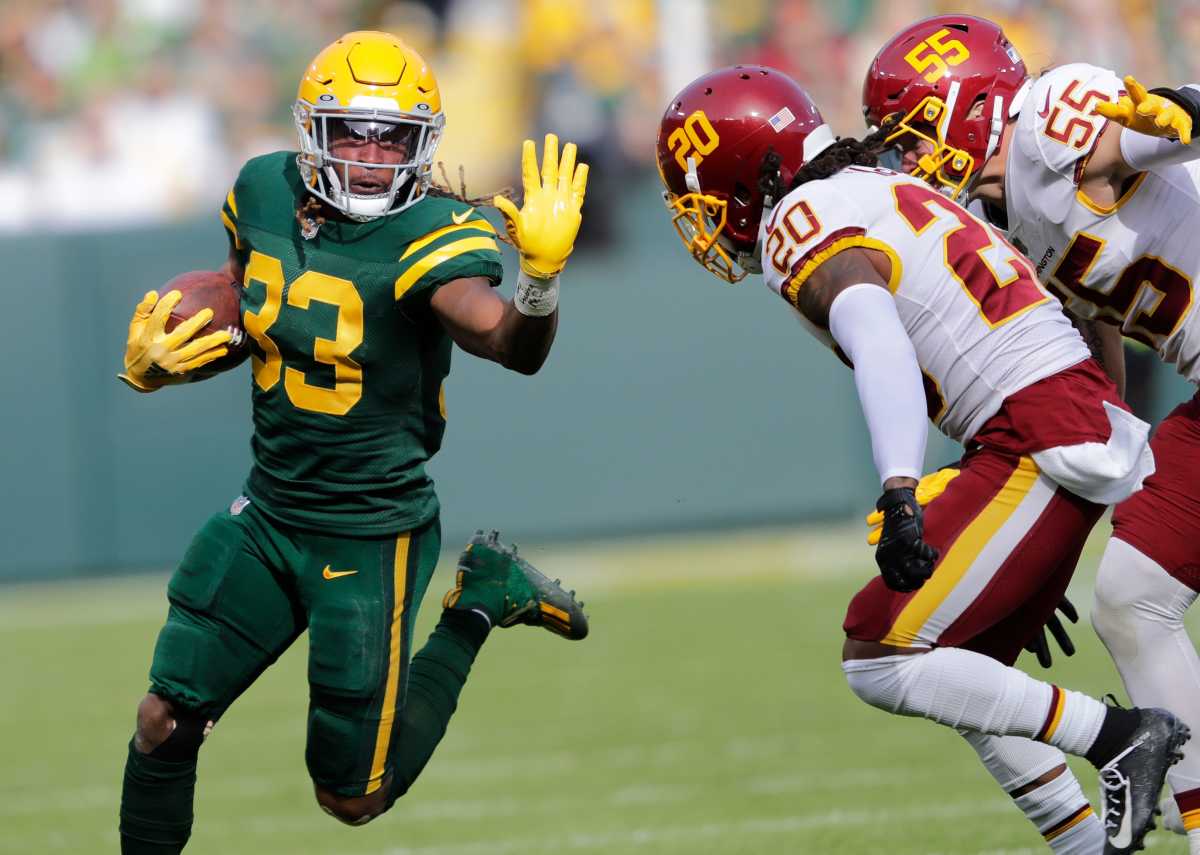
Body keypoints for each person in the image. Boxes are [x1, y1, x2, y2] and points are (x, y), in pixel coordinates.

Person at [657, 64, 1178, 855]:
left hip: (1033, 425)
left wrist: (901, 485)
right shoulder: (871, 183)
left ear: (743, 170)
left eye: (697, 192)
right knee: (964, 673)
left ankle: (1121, 737)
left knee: (879, 652)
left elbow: (876, 334)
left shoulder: (799, 218)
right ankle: (1087, 844)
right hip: (1050, 413)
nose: (698, 218)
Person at [116, 31, 590, 854]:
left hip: (371, 532)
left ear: (421, 147)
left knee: (352, 799)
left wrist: (539, 285)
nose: (371, 155)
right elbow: (250, 305)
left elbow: (508, 343)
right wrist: (170, 361)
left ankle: (482, 597)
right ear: (313, 133)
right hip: (268, 514)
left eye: (392, 138)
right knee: (163, 718)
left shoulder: (432, 236)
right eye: (353, 132)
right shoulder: (262, 188)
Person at [863, 14, 1200, 851]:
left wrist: (1174, 108)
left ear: (971, 106)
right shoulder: (1009, 222)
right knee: (1131, 594)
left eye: (913, 134)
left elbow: (1149, 130)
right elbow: (1098, 381)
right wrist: (1045, 541)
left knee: (1137, 592)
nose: (906, 160)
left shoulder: (1045, 120)